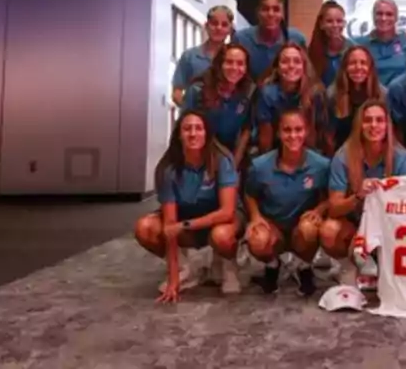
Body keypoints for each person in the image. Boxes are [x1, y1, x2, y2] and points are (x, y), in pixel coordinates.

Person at [134, 110, 242, 301]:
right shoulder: (168, 169)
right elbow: (170, 225)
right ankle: (187, 269)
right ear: (179, 135)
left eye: (198, 128)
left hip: (219, 223)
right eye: (187, 129)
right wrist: (173, 278)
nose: (193, 134)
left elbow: (227, 212)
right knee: (145, 227)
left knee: (222, 236)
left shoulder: (221, 160)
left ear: (207, 133)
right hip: (186, 223)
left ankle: (226, 264)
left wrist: (185, 225)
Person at [319, 99, 406, 285]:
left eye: (379, 120)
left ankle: (383, 262)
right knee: (329, 231)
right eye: (368, 120)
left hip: (389, 223)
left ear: (387, 125)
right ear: (359, 125)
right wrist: (358, 196)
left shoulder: (401, 156)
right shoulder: (343, 155)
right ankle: (347, 264)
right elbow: (334, 208)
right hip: (355, 222)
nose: (374, 125)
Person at [244, 109, 331, 296]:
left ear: (306, 131)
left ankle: (304, 267)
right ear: (278, 133)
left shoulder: (321, 165)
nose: (293, 135)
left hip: (301, 227)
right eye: (287, 130)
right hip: (274, 227)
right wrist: (255, 216)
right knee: (257, 239)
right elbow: (249, 194)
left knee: (310, 228)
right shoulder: (260, 166)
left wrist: (320, 209)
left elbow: (330, 196)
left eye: (298, 130)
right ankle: (272, 265)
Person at [182, 43, 254, 165]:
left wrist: (233, 165)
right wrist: (222, 157)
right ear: (219, 65)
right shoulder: (197, 91)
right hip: (199, 155)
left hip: (232, 156)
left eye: (240, 63)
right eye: (229, 62)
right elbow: (187, 130)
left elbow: (245, 131)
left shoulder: (248, 92)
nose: (235, 68)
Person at [254, 43, 324, 154]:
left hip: (307, 151)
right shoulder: (267, 94)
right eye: (285, 61)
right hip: (276, 151)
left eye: (297, 61)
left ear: (304, 66)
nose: (291, 66)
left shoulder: (315, 93)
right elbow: (265, 141)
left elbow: (315, 136)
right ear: (277, 67)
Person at [233, 0, 308, 81]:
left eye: (276, 10)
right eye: (265, 9)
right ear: (257, 12)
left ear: (283, 14)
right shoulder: (241, 39)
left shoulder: (297, 38)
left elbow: (306, 74)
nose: (270, 14)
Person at [324, 45, 384, 154]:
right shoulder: (332, 94)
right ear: (344, 67)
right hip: (342, 154)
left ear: (370, 67)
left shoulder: (382, 94)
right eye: (352, 63)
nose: (358, 67)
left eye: (363, 63)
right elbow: (329, 137)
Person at [171, 5, 234, 103]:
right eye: (214, 23)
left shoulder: (234, 59)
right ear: (206, 26)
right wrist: (190, 111)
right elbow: (177, 93)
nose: (218, 28)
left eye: (224, 25)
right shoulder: (189, 56)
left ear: (230, 29)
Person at [355, 0, 406, 86]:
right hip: (371, 97)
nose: (384, 18)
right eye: (379, 14)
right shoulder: (359, 45)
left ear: (396, 18)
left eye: (389, 14)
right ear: (373, 16)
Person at [308, 0, 349, 88]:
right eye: (329, 21)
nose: (335, 25)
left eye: (339, 21)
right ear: (321, 24)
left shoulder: (353, 50)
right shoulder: (311, 52)